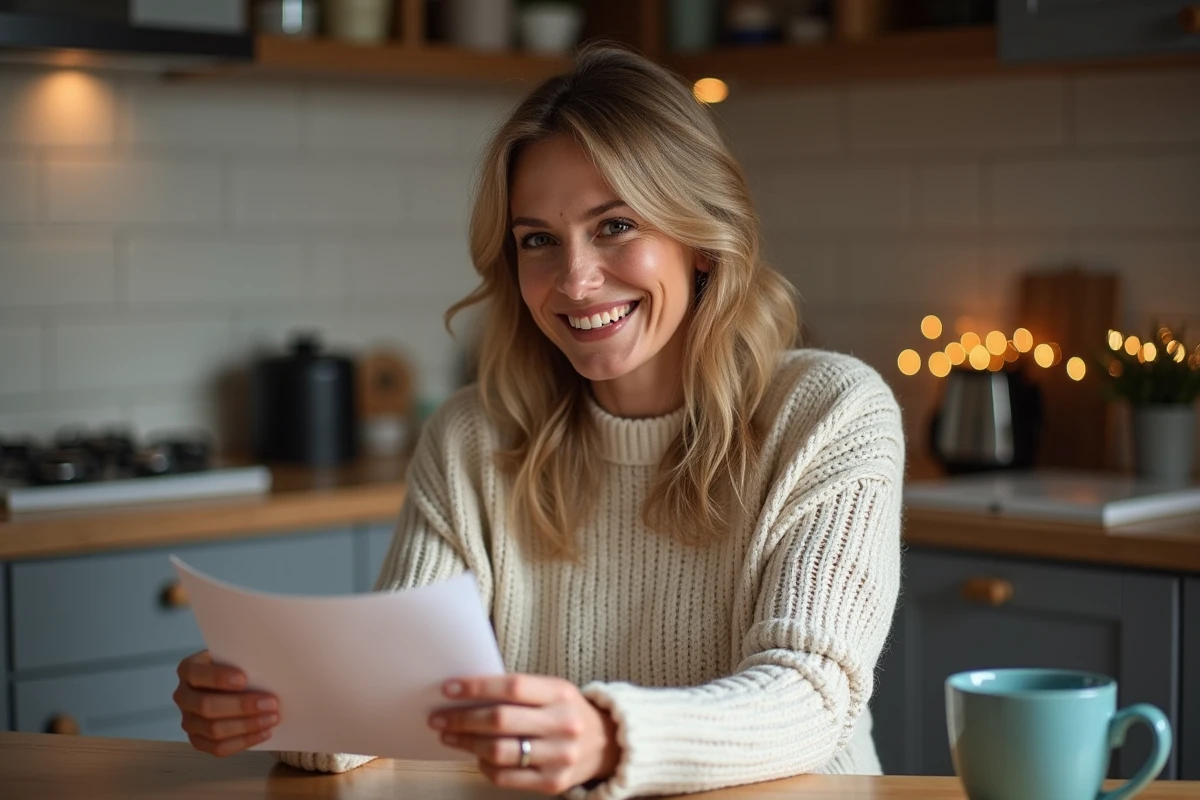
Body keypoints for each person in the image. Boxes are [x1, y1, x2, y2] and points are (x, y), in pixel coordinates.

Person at [172, 45, 904, 800]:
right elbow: (394, 706)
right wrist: (278, 712)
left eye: (614, 225)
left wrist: (608, 737)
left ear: (702, 242)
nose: (576, 280)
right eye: (538, 241)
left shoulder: (831, 412)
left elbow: (811, 695)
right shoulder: (471, 440)